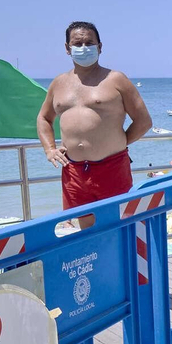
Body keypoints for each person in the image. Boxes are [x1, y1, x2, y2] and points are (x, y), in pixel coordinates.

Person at [37, 21, 152, 224]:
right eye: (77, 43)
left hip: (112, 168)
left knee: (119, 229)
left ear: (100, 46)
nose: (83, 48)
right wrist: (49, 149)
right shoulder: (58, 83)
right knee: (87, 236)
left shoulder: (116, 79)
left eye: (89, 42)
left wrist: (119, 141)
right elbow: (44, 118)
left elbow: (143, 121)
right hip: (74, 172)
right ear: (67, 48)